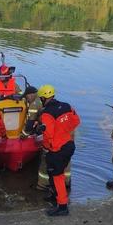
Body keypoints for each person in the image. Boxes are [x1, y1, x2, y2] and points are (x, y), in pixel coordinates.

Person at [37, 84, 80, 217]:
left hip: (57, 149)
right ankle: (55, 196)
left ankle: (62, 207)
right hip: (69, 145)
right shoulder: (67, 106)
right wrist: (63, 130)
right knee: (54, 174)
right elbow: (76, 121)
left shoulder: (47, 113)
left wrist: (44, 141)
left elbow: (48, 134)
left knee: (57, 176)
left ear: (44, 98)